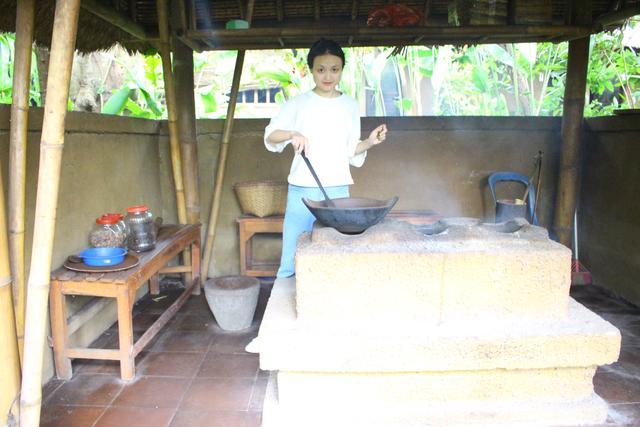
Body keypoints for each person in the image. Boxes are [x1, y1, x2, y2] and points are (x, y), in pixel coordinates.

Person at [264, 38, 387, 278]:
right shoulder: (297, 104)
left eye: (334, 69)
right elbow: (270, 136)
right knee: (292, 255)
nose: (328, 76)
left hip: (338, 191)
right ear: (312, 70)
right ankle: (284, 303)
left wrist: (370, 142)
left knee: (336, 254)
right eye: (321, 70)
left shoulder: (350, 105)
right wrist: (292, 133)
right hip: (302, 190)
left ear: (341, 69)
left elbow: (351, 150)